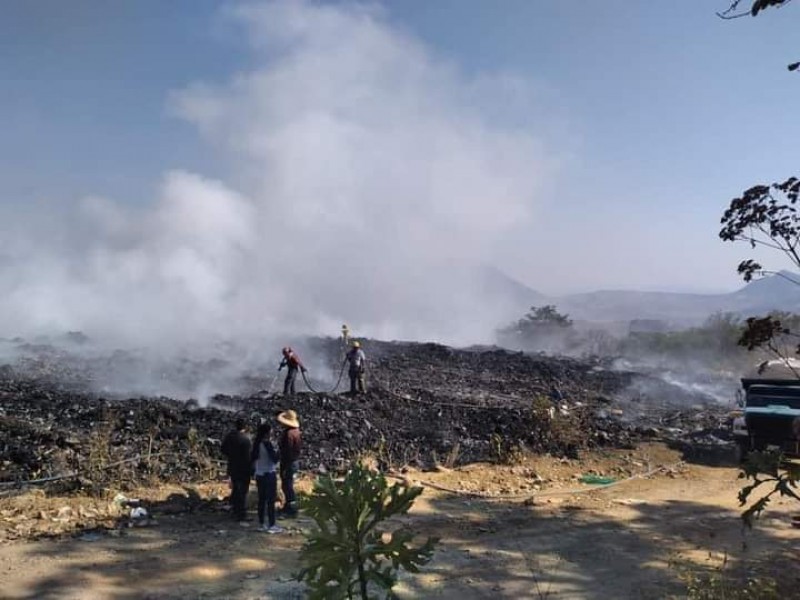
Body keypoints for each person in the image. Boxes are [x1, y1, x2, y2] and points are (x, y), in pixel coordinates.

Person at [251, 421, 283, 534]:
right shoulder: (267, 444)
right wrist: (280, 451)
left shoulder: (256, 444)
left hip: (259, 474)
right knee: (270, 501)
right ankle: (272, 524)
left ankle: (261, 523)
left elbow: (253, 459)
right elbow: (274, 459)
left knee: (261, 500)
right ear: (267, 433)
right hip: (269, 474)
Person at [221, 418, 252, 523]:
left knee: (236, 489)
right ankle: (241, 514)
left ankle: (234, 509)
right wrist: (251, 470)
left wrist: (231, 456)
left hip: (233, 467)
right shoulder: (246, 440)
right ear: (245, 427)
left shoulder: (230, 436)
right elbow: (248, 457)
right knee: (242, 491)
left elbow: (223, 449)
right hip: (243, 469)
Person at [277, 409, 302, 517]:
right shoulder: (296, 432)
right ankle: (288, 507)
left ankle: (291, 510)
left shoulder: (288, 434)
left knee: (287, 486)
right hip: (294, 461)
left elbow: (287, 450)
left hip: (288, 462)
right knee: (288, 485)